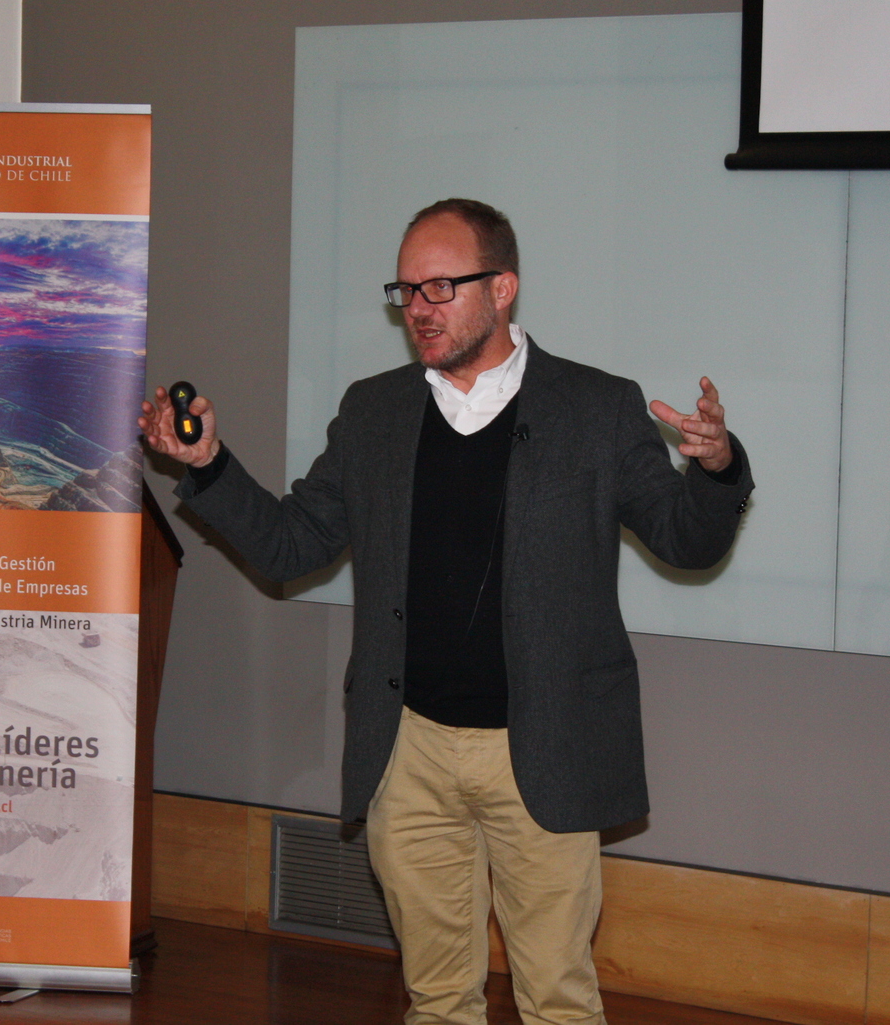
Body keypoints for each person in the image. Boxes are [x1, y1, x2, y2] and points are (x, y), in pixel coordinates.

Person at [140, 199, 752, 1025]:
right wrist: (209, 462)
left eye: (440, 287)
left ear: (502, 288)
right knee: (435, 1000)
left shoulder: (596, 408)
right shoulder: (374, 412)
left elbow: (687, 539)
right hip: (410, 750)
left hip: (544, 746)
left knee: (559, 999)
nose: (418, 308)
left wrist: (716, 469)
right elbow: (291, 542)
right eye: (406, 290)